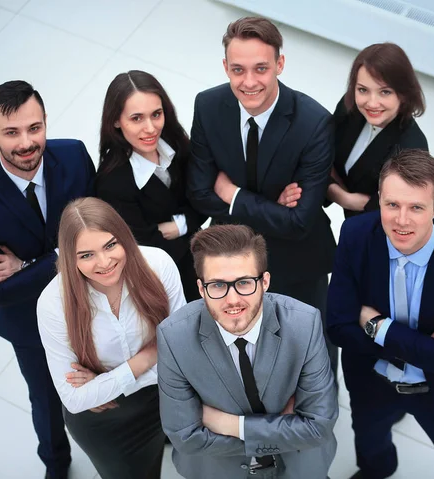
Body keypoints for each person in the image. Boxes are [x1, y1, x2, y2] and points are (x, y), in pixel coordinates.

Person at [0, 80, 95, 479]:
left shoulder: (75, 155)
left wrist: (31, 262)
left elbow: (101, 232)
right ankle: (56, 463)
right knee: (45, 397)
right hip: (26, 319)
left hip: (91, 295)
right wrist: (67, 257)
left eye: (34, 128)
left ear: (45, 121)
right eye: (11, 132)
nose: (26, 143)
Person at [327, 149, 434, 479]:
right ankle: (379, 469)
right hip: (372, 380)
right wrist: (426, 345)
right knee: (370, 442)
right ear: (379, 199)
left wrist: (378, 326)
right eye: (392, 205)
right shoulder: (356, 236)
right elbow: (337, 327)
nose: (402, 220)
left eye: (416, 207)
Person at [187, 16, 338, 371]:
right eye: (237, 69)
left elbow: (299, 222)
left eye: (261, 69)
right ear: (225, 66)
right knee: (246, 351)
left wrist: (234, 195)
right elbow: (199, 193)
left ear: (280, 64)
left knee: (313, 351)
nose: (249, 82)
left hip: (298, 262)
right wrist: (271, 206)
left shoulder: (314, 122)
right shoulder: (208, 106)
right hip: (233, 261)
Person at [157, 224, 338, 479]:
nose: (232, 300)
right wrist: (285, 431)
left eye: (244, 282)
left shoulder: (304, 323)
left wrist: (232, 426)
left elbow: (318, 426)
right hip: (217, 471)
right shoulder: (173, 336)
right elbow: (185, 436)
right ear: (200, 289)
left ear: (265, 281)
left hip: (299, 468)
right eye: (218, 285)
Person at [37, 197, 186, 479]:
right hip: (105, 420)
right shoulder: (53, 304)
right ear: (70, 257)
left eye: (110, 245)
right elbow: (74, 399)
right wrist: (148, 356)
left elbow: (181, 350)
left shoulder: (158, 265)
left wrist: (104, 382)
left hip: (166, 396)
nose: (104, 263)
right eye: (86, 255)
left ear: (124, 237)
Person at [95, 70, 206, 302]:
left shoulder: (175, 141)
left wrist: (177, 226)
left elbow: (204, 200)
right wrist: (189, 221)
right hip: (164, 279)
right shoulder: (111, 182)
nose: (150, 128)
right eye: (136, 118)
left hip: (200, 257)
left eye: (156, 114)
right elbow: (146, 247)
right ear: (116, 121)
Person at [326, 43, 427, 218]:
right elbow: (320, 150)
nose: (372, 103)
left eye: (385, 92)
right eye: (363, 90)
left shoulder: (412, 149)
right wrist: (342, 197)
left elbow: (395, 211)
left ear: (403, 93)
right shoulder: (349, 107)